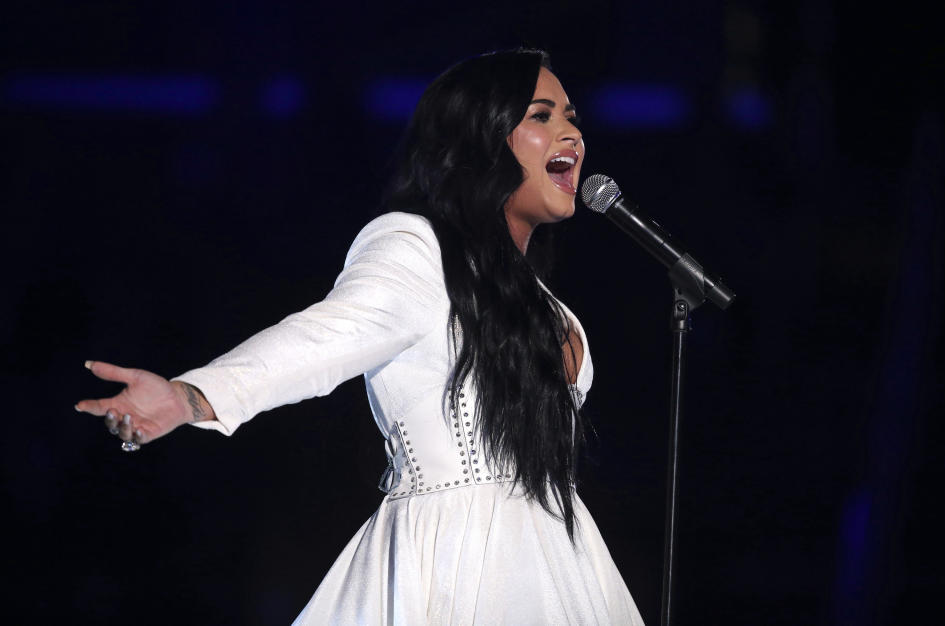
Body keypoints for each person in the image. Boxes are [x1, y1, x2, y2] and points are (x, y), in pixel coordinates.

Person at [76, 48, 644, 625]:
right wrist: (190, 396)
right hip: (461, 553)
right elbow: (322, 340)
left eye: (571, 115)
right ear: (480, 139)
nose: (570, 131)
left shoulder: (542, 302)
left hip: (560, 558)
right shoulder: (417, 249)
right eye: (541, 116)